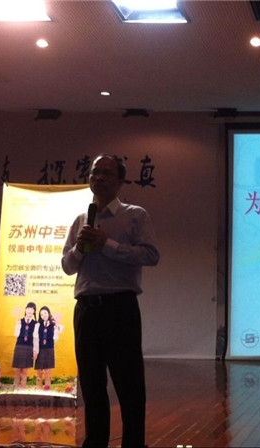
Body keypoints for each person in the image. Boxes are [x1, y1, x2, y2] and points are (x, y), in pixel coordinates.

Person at [61, 154, 160, 448]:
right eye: (95, 172)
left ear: (120, 180)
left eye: (106, 173)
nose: (99, 178)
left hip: (120, 309)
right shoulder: (80, 220)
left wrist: (108, 244)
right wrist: (80, 248)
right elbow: (67, 266)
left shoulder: (135, 215)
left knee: (129, 385)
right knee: (91, 385)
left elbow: (151, 255)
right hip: (86, 311)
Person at [12, 302, 39, 390]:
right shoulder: (20, 321)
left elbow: (36, 339)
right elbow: (16, 334)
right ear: (25, 310)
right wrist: (17, 324)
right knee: (17, 370)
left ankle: (23, 388)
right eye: (28, 309)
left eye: (32, 309)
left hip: (29, 347)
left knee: (25, 371)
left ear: (34, 311)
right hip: (19, 346)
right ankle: (15, 387)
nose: (30, 311)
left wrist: (35, 351)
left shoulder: (36, 324)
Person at [34, 305, 62, 390]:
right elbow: (35, 339)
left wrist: (56, 325)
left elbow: (57, 336)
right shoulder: (38, 325)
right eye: (41, 314)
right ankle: (39, 387)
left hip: (49, 349)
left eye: (45, 313)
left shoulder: (54, 325)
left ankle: (47, 387)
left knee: (48, 371)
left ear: (49, 313)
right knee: (39, 370)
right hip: (40, 349)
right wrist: (35, 351)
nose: (44, 315)